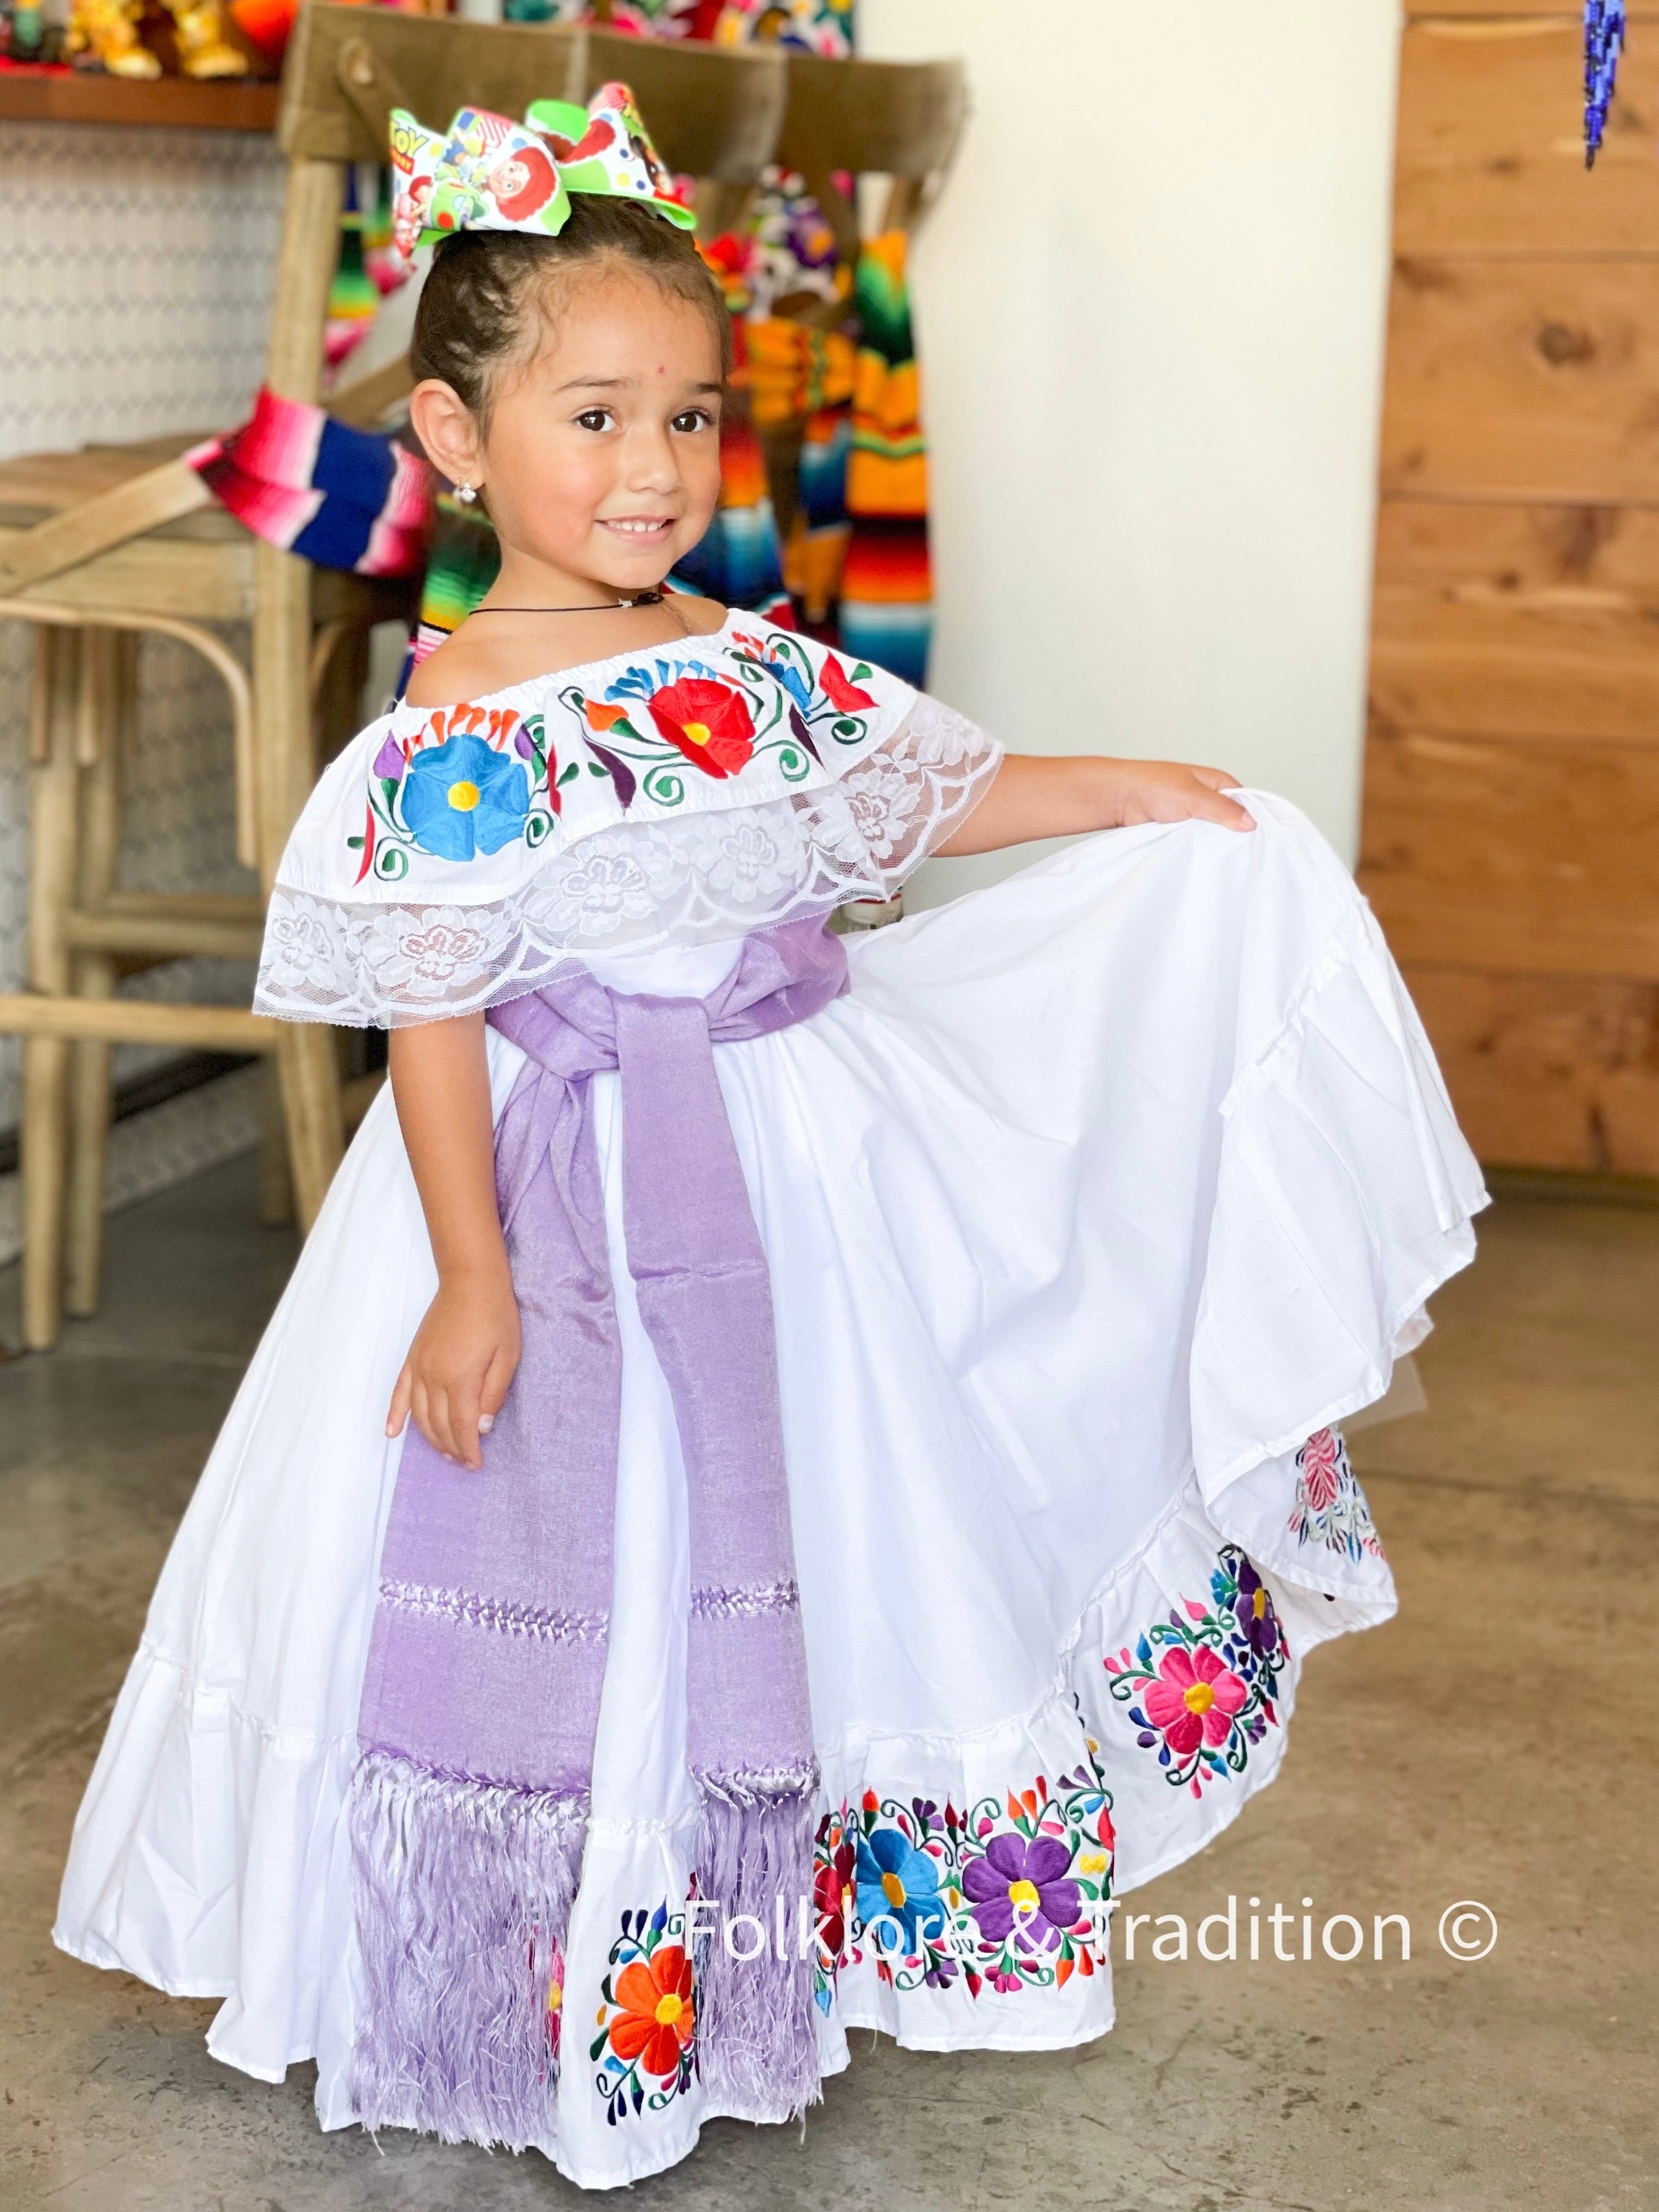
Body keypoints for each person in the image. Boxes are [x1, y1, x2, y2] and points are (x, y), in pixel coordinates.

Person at [53, 86, 1487, 2195]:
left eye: (692, 420)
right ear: (458, 444)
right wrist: (470, 1271)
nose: (655, 469)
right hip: (569, 1205)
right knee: (606, 1553)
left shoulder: (733, 669)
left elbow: (914, 787)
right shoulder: (447, 731)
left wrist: (1127, 798)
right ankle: (565, 1947)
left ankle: (785, 1918)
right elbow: (435, 1016)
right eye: (597, 417)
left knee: (839, 1511)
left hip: (796, 1178)